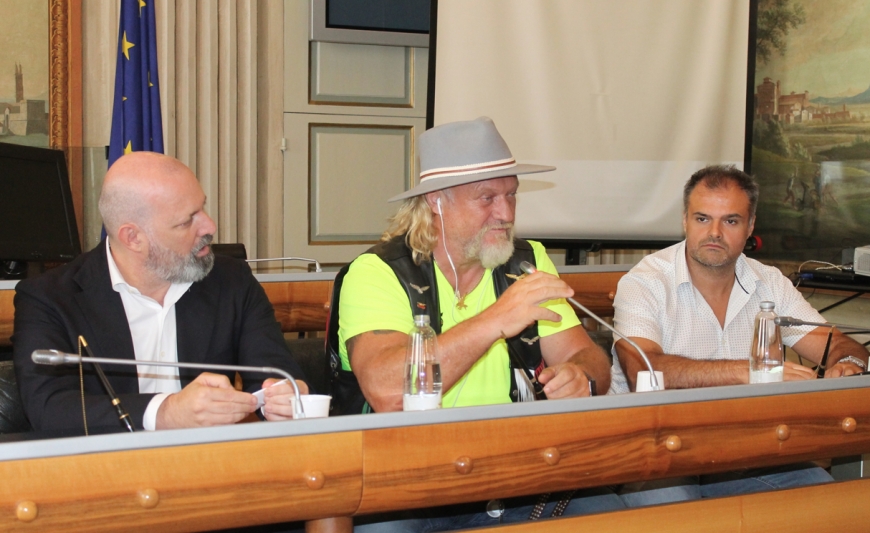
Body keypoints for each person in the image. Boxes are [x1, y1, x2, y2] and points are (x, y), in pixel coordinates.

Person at [329, 117, 623, 530]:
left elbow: (587, 358)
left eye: (511, 195)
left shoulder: (527, 262)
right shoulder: (377, 272)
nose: (506, 213)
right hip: (405, 486)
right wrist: (495, 320)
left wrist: (581, 377)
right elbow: (390, 392)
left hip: (516, 475)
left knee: (620, 517)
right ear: (436, 200)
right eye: (487, 198)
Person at [610, 164, 868, 506]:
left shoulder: (769, 282)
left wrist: (849, 364)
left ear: (750, 226)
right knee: (680, 517)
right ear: (685, 220)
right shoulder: (645, 282)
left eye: (730, 221)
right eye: (702, 218)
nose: (714, 232)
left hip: (743, 454)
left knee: (829, 503)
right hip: (655, 455)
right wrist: (748, 373)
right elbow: (644, 370)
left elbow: (837, 345)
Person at [13, 152, 308, 435]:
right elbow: (49, 409)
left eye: (202, 207)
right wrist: (165, 412)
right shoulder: (49, 298)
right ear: (133, 237)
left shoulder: (231, 280)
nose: (210, 226)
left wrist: (283, 396)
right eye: (186, 221)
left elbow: (275, 371)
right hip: (105, 463)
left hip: (209, 459)